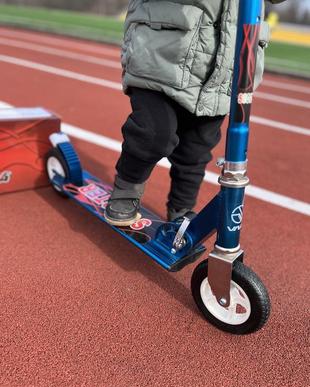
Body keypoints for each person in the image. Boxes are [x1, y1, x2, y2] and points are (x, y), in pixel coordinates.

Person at [105, 0, 285, 227]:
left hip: (224, 68)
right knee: (153, 134)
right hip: (163, 54)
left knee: (196, 150)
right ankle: (127, 188)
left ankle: (182, 208)